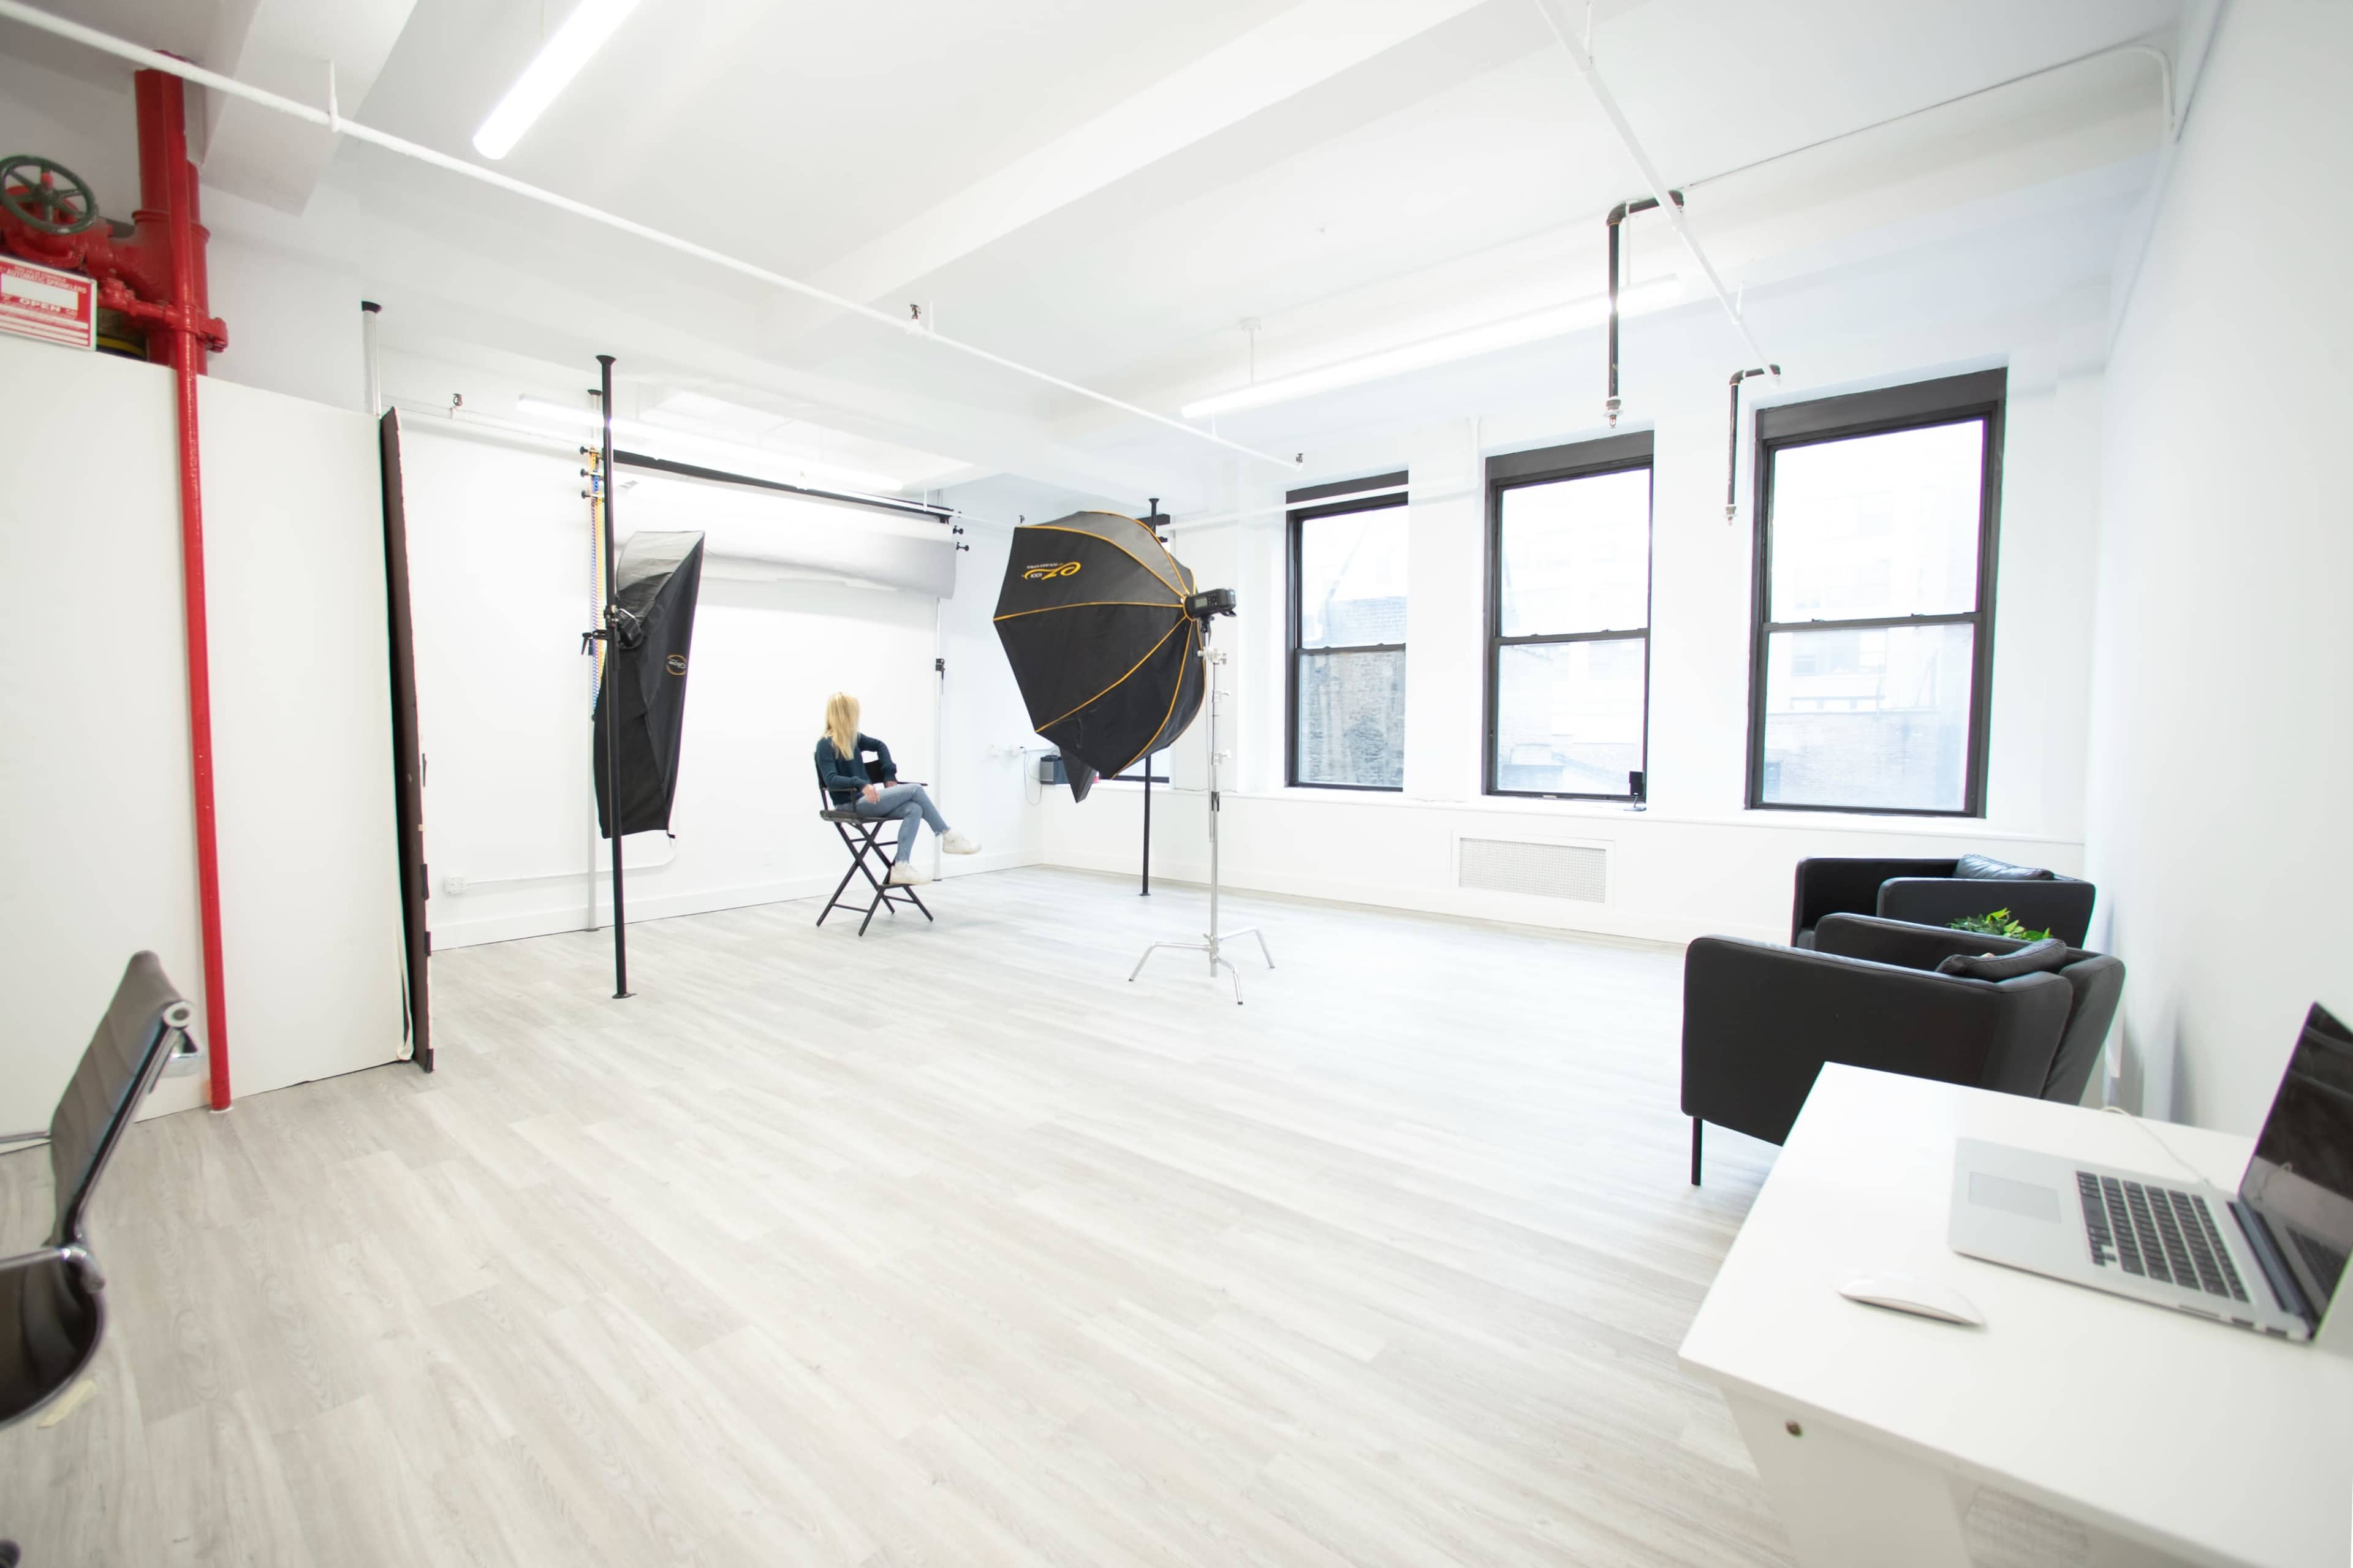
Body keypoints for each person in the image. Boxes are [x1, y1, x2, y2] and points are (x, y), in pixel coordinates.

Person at [816, 692, 979, 886]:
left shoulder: (854, 739)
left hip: (865, 801)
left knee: (915, 809)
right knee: (915, 790)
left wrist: (889, 775)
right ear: (846, 714)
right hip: (848, 805)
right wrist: (861, 783)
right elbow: (831, 780)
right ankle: (947, 834)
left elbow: (880, 746)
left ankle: (901, 866)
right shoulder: (825, 744)